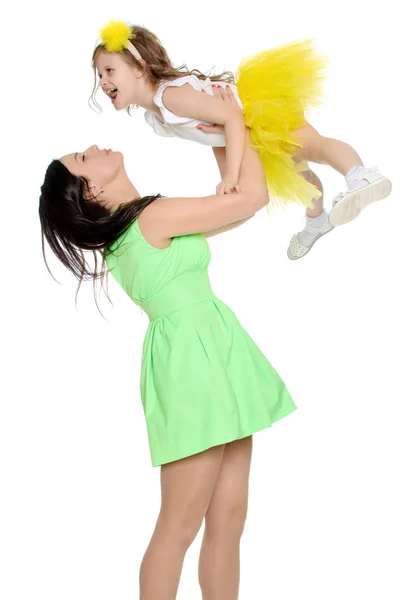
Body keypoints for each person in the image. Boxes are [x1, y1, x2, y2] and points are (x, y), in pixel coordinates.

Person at [38, 100, 296, 598]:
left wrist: (227, 136)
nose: (93, 148)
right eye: (84, 157)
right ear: (91, 190)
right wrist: (232, 120)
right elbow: (251, 198)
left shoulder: (144, 223)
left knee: (228, 516)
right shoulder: (153, 219)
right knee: (179, 527)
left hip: (211, 352)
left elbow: (240, 197)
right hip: (192, 362)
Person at [89, 19, 392, 260]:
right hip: (244, 135)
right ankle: (317, 220)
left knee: (311, 146)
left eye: (109, 70)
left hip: (257, 113)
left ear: (140, 68)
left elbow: (232, 117)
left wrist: (232, 175)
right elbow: (214, 133)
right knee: (299, 175)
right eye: (99, 74)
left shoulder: (169, 97)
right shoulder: (157, 118)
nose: (103, 81)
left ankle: (361, 175)